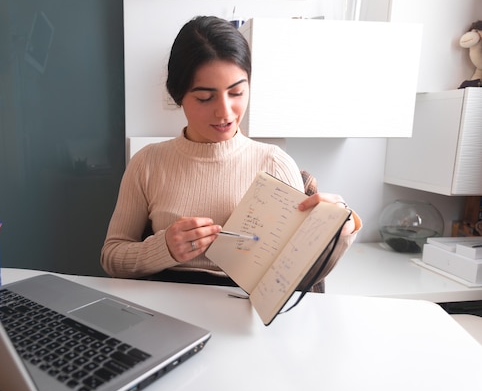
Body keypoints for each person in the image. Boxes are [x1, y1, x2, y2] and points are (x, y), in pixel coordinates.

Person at [101, 16, 362, 289]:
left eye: (236, 92)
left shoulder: (274, 163)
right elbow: (111, 257)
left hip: (247, 316)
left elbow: (297, 277)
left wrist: (338, 230)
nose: (225, 112)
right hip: (167, 314)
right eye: (205, 98)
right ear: (178, 95)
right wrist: (163, 248)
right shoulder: (148, 163)